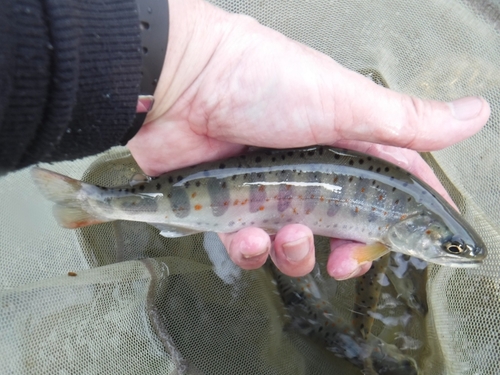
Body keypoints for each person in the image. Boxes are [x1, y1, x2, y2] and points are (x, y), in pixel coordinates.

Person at [0, 0, 490, 280]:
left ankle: (98, 201)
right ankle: (99, 203)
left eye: (446, 247)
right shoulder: (386, 230)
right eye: (445, 247)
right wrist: (188, 69)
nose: (443, 250)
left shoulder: (398, 217)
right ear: (417, 229)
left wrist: (183, 68)